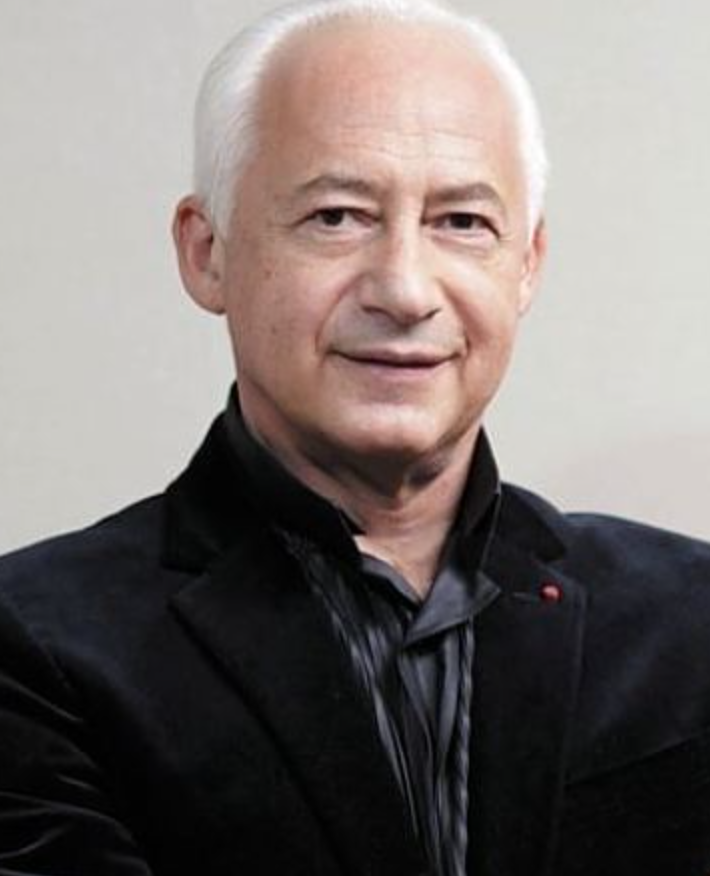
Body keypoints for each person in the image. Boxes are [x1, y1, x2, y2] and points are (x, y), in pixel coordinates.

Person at [1, 0, 709, 873]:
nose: (404, 290)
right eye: (337, 217)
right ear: (207, 252)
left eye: (462, 223)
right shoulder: (35, 648)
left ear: (526, 264)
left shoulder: (690, 620)